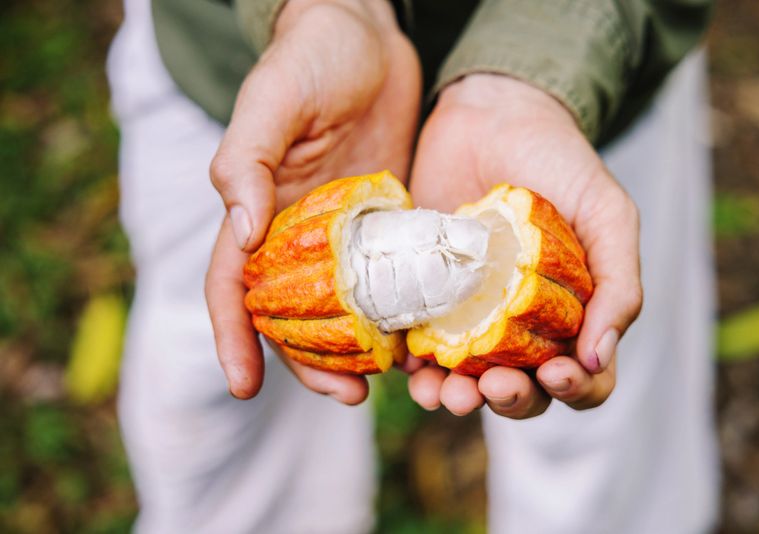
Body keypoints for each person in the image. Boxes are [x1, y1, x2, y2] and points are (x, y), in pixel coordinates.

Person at [108, 0, 719, 532]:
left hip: (578, 86)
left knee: (596, 431)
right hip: (244, 67)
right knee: (214, 394)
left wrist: (541, 63)